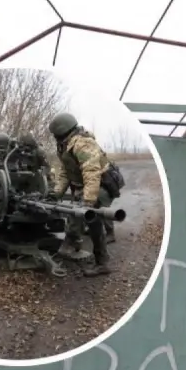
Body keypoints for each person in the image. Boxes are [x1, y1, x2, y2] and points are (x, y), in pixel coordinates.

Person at [47, 112, 124, 277]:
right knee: (84, 218)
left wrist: (87, 201)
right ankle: (78, 247)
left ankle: (95, 259)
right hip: (88, 186)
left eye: (55, 134)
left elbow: (92, 173)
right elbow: (66, 172)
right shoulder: (66, 145)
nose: (54, 137)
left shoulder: (83, 144)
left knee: (87, 218)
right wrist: (56, 193)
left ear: (62, 131)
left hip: (101, 185)